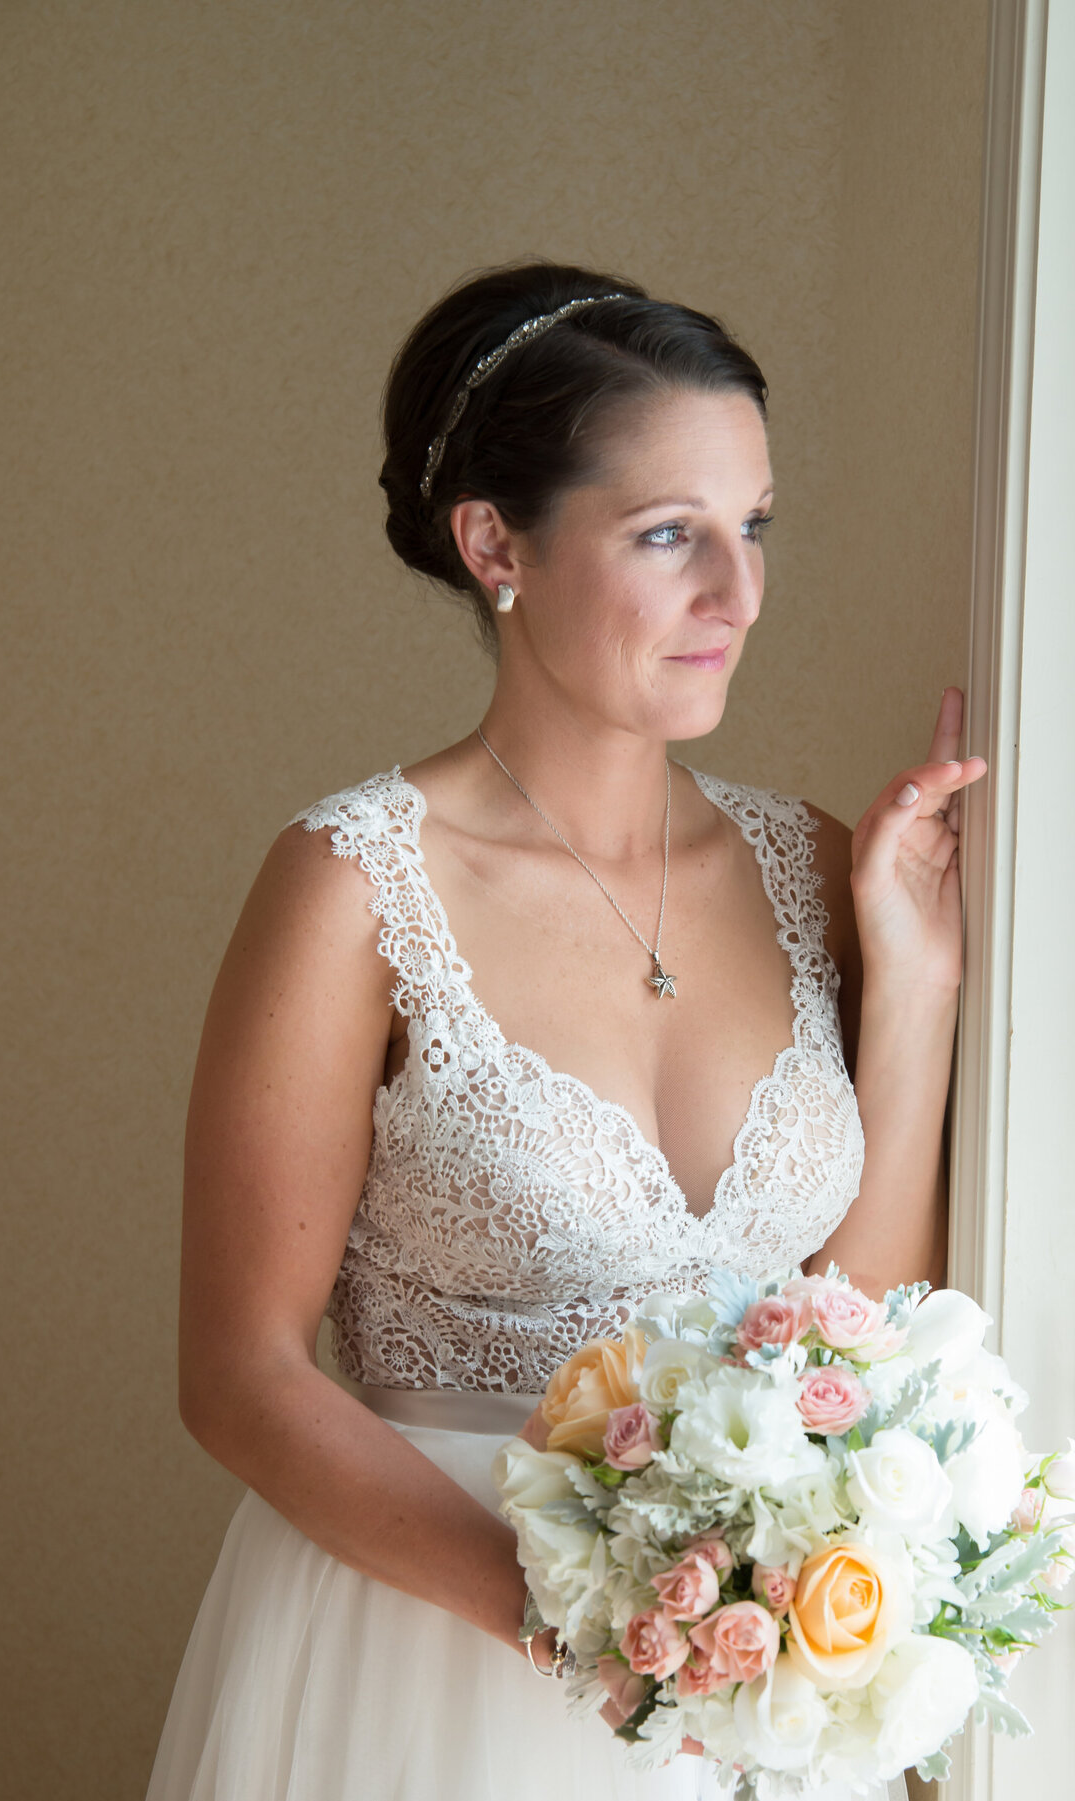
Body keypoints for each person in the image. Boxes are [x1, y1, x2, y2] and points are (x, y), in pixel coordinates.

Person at [144, 262, 985, 1801]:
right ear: (494, 544)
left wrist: (917, 984)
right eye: (670, 536)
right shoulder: (352, 887)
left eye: (755, 529)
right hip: (434, 1663)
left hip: (746, 1696)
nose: (736, 595)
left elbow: (848, 1338)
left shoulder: (808, 866)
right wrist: (584, 1632)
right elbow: (239, 1371)